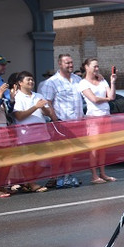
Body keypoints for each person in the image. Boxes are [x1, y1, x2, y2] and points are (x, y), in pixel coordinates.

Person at [39, 54, 85, 188]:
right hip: (61, 123)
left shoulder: (78, 80)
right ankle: (56, 177)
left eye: (71, 62)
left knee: (71, 152)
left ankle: (66, 176)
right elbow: (47, 103)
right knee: (59, 152)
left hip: (77, 123)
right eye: (67, 63)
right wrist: (56, 121)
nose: (70, 65)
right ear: (60, 64)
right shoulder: (51, 82)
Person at [10, 71, 58, 192]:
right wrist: (35, 107)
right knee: (28, 162)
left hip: (41, 134)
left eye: (32, 79)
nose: (31, 82)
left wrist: (42, 107)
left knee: (43, 161)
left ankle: (28, 182)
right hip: (26, 135)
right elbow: (19, 116)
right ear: (20, 83)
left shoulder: (38, 95)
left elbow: (48, 113)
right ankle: (32, 183)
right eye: (28, 80)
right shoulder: (17, 97)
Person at [78, 57, 117, 184]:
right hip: (93, 118)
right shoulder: (83, 83)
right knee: (94, 148)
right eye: (94, 66)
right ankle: (94, 175)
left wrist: (112, 82)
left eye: (97, 66)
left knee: (103, 147)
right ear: (86, 67)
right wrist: (107, 99)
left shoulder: (102, 80)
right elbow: (94, 99)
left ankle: (103, 173)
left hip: (105, 116)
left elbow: (112, 95)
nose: (97, 68)